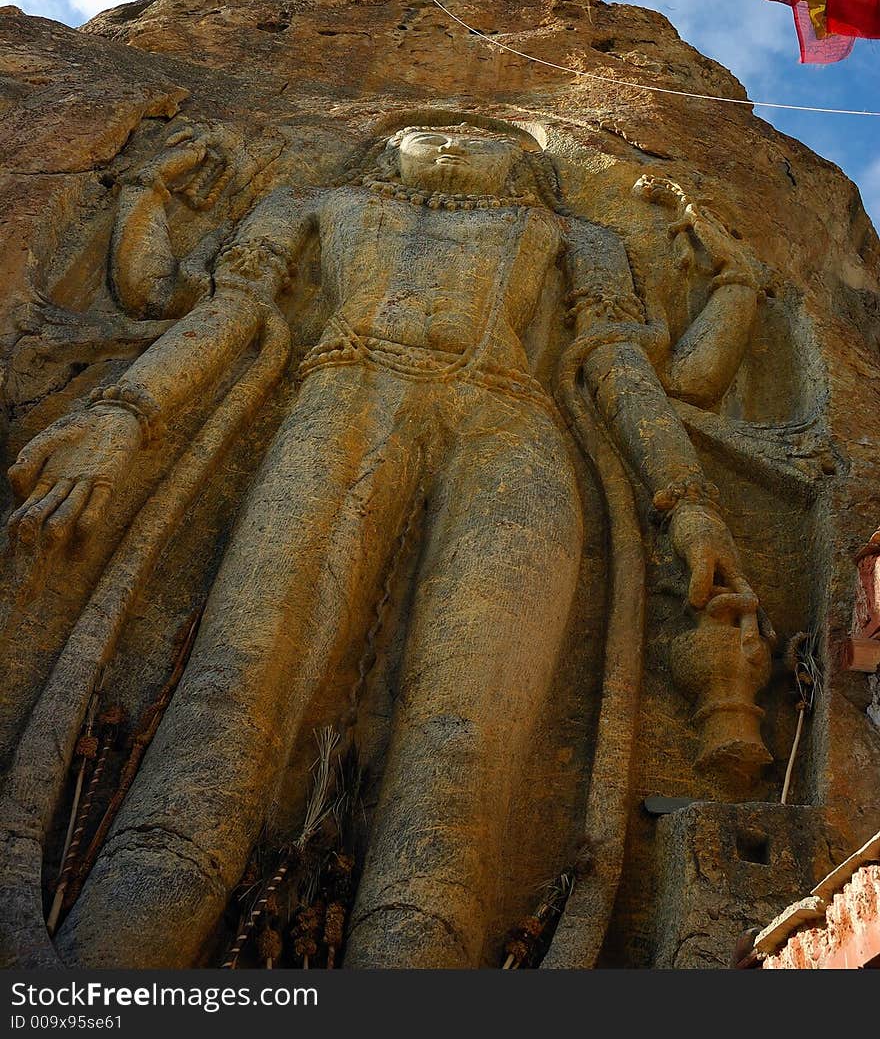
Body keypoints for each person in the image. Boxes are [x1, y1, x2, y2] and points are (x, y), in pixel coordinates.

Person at [8, 123, 756, 967]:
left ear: (529, 167)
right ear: (380, 149)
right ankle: (104, 970)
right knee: (228, 696)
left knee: (461, 748)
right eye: (420, 127)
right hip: (340, 404)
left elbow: (632, 371)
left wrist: (692, 506)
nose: (448, 136)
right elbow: (204, 305)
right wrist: (123, 412)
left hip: (509, 433)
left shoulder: (574, 236)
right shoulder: (316, 203)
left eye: (478, 133)